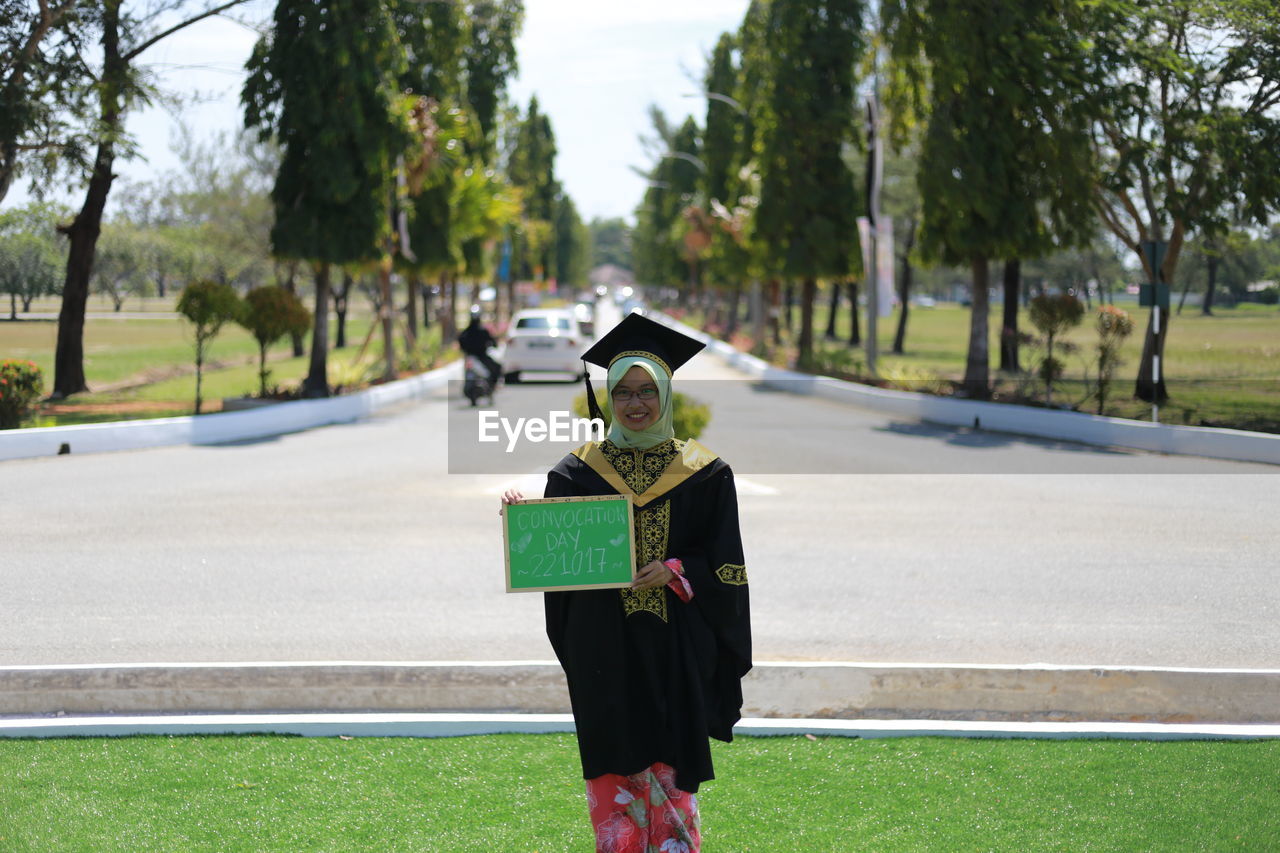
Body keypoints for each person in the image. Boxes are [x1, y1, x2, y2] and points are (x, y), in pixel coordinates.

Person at [501, 312, 751, 853]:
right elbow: (556, 550)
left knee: (671, 764)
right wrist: (525, 521)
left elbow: (727, 565)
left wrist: (677, 570)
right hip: (603, 646)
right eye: (624, 394)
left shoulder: (706, 473)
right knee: (612, 767)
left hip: (674, 646)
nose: (635, 405)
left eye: (647, 392)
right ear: (610, 399)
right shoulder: (576, 473)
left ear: (666, 394)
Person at [458, 310, 501, 385]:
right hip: (479, 356)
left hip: (478, 356)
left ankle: (491, 386)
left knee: (496, 367)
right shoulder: (478, 331)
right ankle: (492, 385)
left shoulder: (467, 332)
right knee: (497, 368)